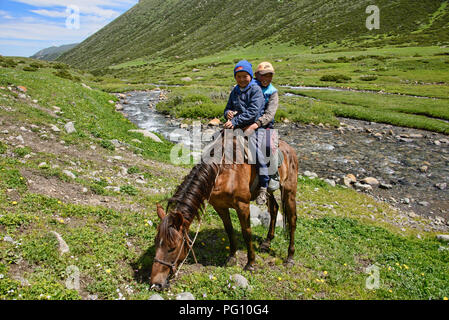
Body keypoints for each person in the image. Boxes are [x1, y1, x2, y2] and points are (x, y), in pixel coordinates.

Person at [223, 60, 271, 205]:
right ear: (235, 78)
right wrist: (228, 114)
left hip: (253, 126)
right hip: (236, 126)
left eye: (245, 76)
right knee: (216, 143)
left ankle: (263, 185)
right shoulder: (235, 91)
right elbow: (227, 108)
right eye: (239, 76)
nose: (242, 79)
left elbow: (252, 112)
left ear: (250, 76)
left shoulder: (255, 90)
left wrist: (235, 121)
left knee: (256, 150)